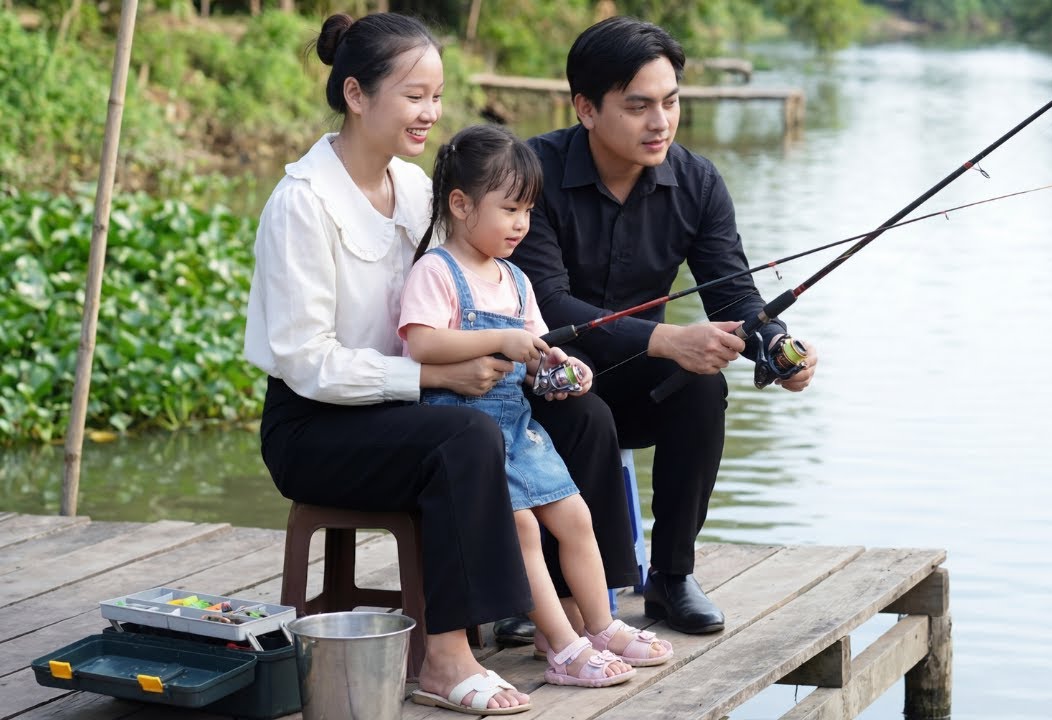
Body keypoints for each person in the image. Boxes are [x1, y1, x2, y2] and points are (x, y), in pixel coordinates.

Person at [244, 13, 534, 715]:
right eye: (413, 95)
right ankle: (445, 657)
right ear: (355, 94)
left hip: (405, 409)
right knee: (464, 439)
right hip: (315, 428)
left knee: (571, 412)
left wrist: (519, 350)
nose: (430, 112)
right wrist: (435, 377)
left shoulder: (417, 191)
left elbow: (464, 287)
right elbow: (306, 362)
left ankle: (581, 619)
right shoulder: (302, 204)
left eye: (436, 96)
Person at [508, 16, 820, 636]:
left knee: (702, 386)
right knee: (585, 408)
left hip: (633, 382)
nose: (661, 122)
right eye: (639, 106)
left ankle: (671, 578)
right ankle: (544, 594)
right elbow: (545, 304)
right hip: (535, 379)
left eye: (671, 102)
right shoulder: (531, 174)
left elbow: (733, 293)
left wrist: (778, 345)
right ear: (587, 109)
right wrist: (665, 338)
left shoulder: (698, 183)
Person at [398, 124, 674, 688]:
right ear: (461, 205)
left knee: (575, 516)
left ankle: (601, 624)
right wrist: (497, 341)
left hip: (518, 429)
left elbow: (535, 355)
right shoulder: (437, 271)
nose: (521, 224)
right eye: (509, 210)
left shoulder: (518, 281)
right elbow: (422, 342)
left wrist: (562, 370)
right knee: (521, 527)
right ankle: (563, 647)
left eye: (528, 210)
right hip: (459, 431)